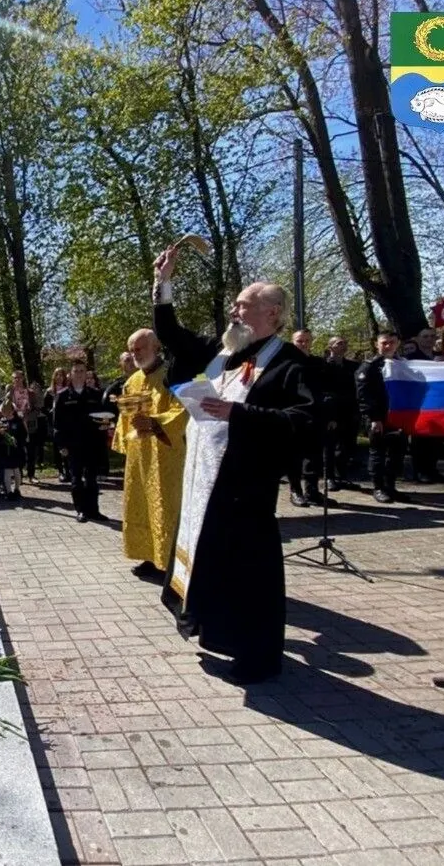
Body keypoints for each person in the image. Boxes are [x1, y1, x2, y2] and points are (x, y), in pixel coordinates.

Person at [152, 243, 314, 685]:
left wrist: (241, 414)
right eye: (236, 305)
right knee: (211, 562)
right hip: (206, 480)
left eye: (243, 305)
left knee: (249, 574)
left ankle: (258, 658)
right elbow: (173, 336)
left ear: (272, 312)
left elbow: (304, 420)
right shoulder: (224, 353)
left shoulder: (287, 363)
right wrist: (163, 284)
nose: (234, 311)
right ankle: (213, 632)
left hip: (246, 486)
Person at [116, 329, 187, 584]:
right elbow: (127, 420)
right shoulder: (132, 381)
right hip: (140, 456)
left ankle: (169, 561)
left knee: (166, 507)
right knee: (141, 504)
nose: (136, 354)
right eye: (133, 350)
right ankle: (148, 555)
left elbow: (182, 412)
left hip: (167, 455)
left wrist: (155, 423)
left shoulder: (173, 375)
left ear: (156, 347)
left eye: (140, 349)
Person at [356, 330, 410, 504]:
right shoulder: (370, 366)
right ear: (377, 344)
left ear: (398, 343)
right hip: (378, 417)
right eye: (384, 343)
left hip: (399, 416)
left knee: (397, 453)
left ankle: (391, 486)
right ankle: (378, 487)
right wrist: (373, 418)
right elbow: (363, 394)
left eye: (392, 342)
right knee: (378, 453)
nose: (388, 346)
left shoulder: (404, 365)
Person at [285, 329, 336, 508]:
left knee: (314, 456)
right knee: (294, 457)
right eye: (300, 341)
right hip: (293, 417)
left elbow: (328, 391)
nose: (304, 344)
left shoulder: (318, 364)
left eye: (307, 340)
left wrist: (330, 416)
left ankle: (312, 491)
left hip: (316, 416)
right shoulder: (285, 363)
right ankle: (295, 491)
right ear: (292, 342)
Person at [53, 358, 107, 522]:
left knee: (92, 479)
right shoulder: (62, 396)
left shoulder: (95, 395)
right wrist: (61, 444)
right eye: (76, 371)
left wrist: (104, 430)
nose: (79, 374)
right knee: (76, 479)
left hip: (92, 444)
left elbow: (102, 419)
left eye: (82, 371)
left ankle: (94, 510)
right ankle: (81, 510)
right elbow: (57, 423)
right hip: (73, 445)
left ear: (86, 374)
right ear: (70, 374)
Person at [403, 328, 444, 483]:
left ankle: (432, 469)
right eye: (425, 337)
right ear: (418, 339)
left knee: (436, 439)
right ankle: (420, 470)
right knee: (420, 439)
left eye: (431, 336)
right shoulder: (410, 358)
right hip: (419, 403)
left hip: (437, 402)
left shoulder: (440, 357)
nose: (429, 339)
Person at [323, 336, 361, 488]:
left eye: (345, 343)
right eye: (339, 343)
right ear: (330, 347)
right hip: (332, 411)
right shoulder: (324, 366)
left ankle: (343, 476)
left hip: (350, 411)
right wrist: (329, 414)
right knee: (330, 446)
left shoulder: (353, 366)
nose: (344, 346)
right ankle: (329, 477)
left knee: (347, 445)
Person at [0, 400, 27, 499]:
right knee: (7, 471)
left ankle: (17, 489)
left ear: (13, 410)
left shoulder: (18, 421)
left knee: (16, 470)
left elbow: (24, 435)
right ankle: (8, 491)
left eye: (8, 410)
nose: (6, 412)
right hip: (5, 451)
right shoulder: (0, 423)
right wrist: (1, 437)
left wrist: (16, 440)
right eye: (3, 410)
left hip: (16, 451)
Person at [23, 383, 45, 483]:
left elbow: (38, 410)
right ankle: (19, 474)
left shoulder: (37, 400)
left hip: (33, 428)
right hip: (21, 427)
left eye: (37, 388)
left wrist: (29, 413)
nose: (34, 390)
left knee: (32, 452)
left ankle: (31, 475)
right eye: (32, 388)